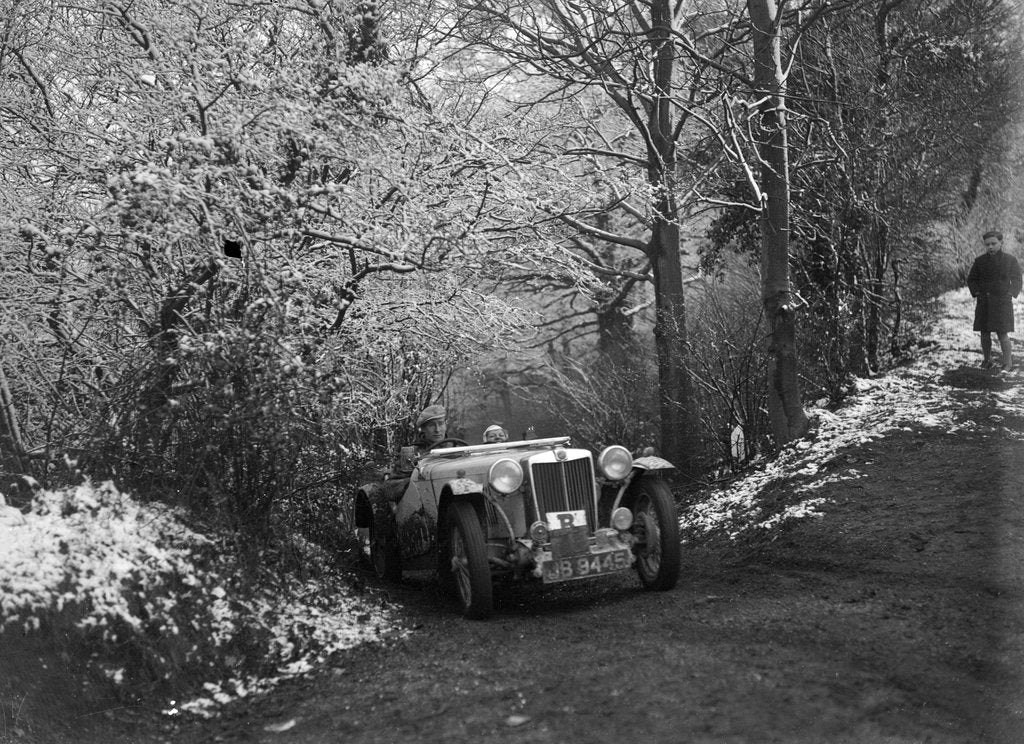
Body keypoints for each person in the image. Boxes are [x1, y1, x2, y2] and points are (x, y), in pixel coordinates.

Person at [967, 230, 1022, 372]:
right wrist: (978, 292)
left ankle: (1008, 363)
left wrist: (1010, 293)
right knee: (984, 333)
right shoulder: (979, 261)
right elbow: (971, 279)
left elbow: (1017, 279)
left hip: (1002, 303)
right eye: (987, 244)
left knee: (1002, 333)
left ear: (1001, 243)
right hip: (984, 302)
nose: (990, 247)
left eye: (993, 243)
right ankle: (987, 360)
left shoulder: (1010, 260)